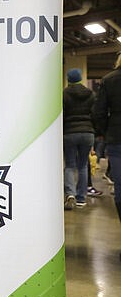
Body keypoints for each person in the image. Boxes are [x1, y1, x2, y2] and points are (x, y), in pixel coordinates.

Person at [93, 53, 121, 222]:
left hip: (117, 137)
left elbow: (99, 112)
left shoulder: (109, 80)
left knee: (120, 187)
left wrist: (104, 131)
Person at [63, 68, 95, 210]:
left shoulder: (64, 94)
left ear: (68, 79)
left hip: (69, 133)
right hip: (87, 133)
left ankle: (70, 194)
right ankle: (81, 198)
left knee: (70, 165)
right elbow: (95, 114)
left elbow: (62, 115)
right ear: (80, 78)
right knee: (83, 166)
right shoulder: (91, 94)